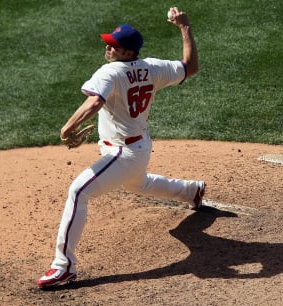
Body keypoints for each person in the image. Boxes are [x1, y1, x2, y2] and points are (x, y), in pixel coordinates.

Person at [37, 7, 206, 289]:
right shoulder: (153, 67)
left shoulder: (110, 71)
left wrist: (68, 126)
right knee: (138, 184)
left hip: (122, 153)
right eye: (109, 42)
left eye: (114, 46)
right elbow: (191, 66)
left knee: (78, 191)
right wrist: (185, 27)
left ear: (128, 53)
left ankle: (63, 267)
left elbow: (94, 102)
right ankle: (191, 190)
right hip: (138, 148)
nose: (108, 47)